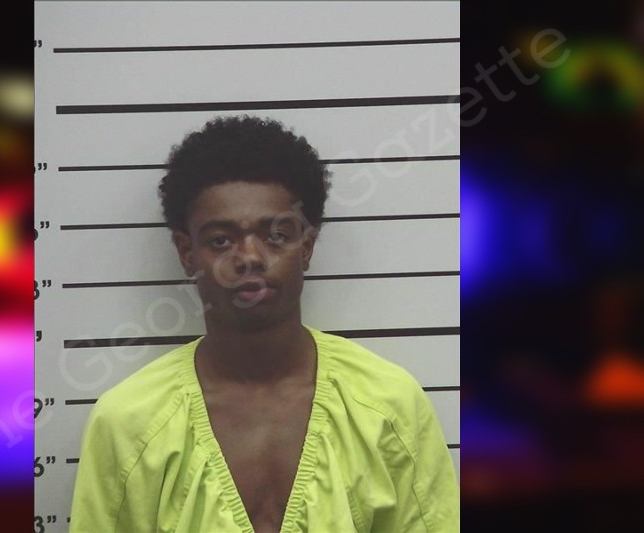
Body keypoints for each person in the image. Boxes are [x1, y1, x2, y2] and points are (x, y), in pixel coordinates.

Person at [69, 115, 459, 532]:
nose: (250, 257)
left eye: (276, 235)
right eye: (220, 240)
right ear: (186, 253)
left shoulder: (389, 406)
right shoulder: (127, 423)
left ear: (306, 247)